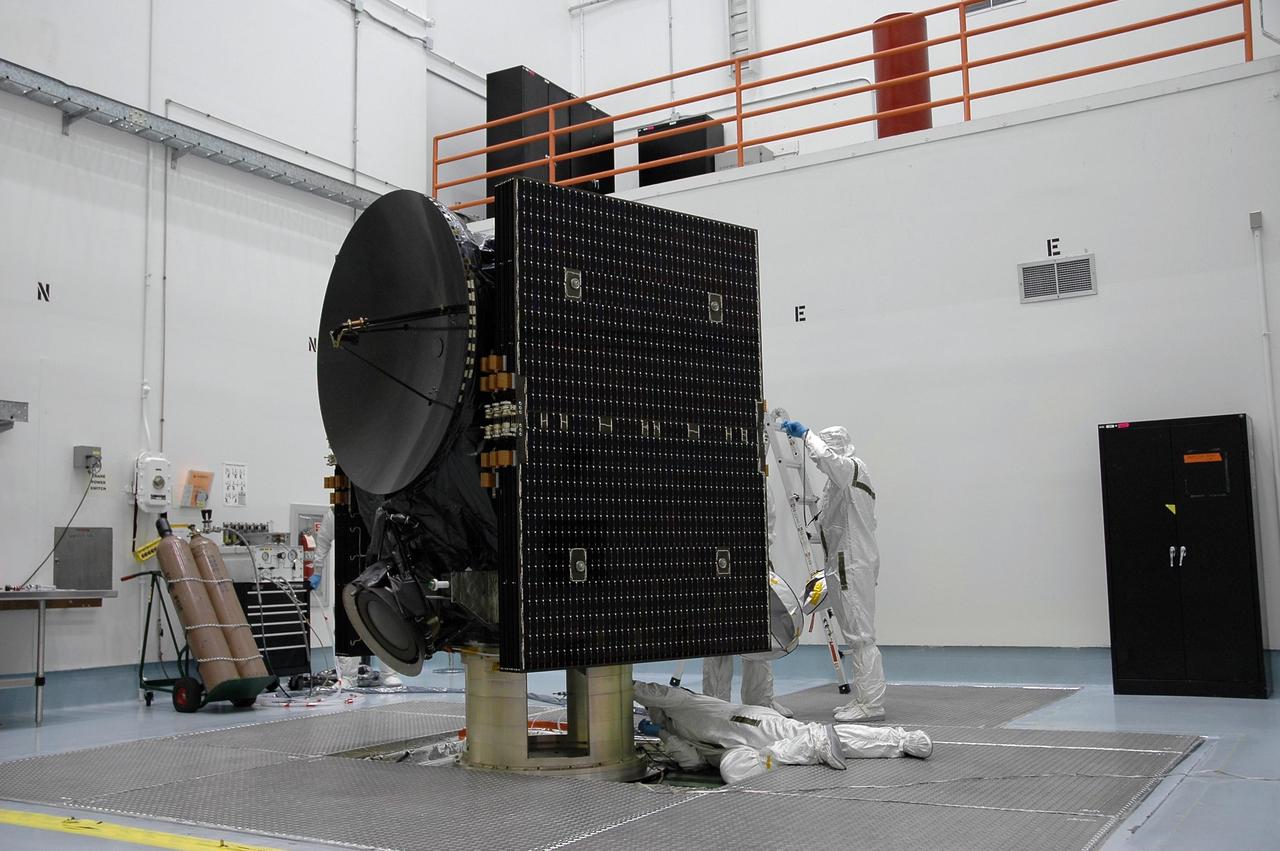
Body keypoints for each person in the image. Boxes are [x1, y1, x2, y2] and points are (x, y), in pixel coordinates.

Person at [780, 419, 884, 723]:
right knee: (855, 635)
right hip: (846, 563)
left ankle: (872, 704)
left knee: (861, 636)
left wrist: (807, 436)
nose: (818, 458)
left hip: (851, 563)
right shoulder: (842, 483)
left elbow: (828, 459)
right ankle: (865, 699)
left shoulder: (851, 468)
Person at [634, 680, 930, 785]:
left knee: (800, 731)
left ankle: (900, 739)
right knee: (730, 769)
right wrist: (664, 735)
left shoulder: (683, 702)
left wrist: (612, 682)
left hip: (746, 723)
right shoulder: (675, 730)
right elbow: (693, 764)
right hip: (739, 751)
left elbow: (650, 691)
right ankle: (809, 746)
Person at [703, 493, 793, 716]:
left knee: (758, 634)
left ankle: (760, 703)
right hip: (721, 558)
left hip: (755, 556)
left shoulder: (760, 477)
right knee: (719, 636)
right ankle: (717, 707)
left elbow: (767, 520)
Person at [315, 508, 402, 688]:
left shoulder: (383, 509)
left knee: (384, 622)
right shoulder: (336, 514)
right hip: (348, 577)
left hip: (379, 576)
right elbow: (323, 541)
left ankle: (389, 673)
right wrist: (317, 570)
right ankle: (347, 677)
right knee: (347, 626)